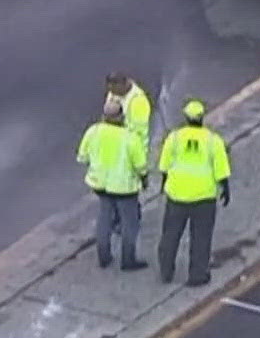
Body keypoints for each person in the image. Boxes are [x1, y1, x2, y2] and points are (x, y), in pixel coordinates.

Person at [157, 100, 231, 286]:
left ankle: (166, 271)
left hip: (177, 194)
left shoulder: (174, 137)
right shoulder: (213, 140)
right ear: (202, 118)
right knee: (201, 237)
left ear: (185, 117)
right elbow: (221, 169)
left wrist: (164, 183)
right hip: (203, 196)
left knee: (170, 235)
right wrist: (225, 189)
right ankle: (197, 275)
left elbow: (164, 165)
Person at [76, 96, 149, 270]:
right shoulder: (130, 137)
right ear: (121, 116)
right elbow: (141, 165)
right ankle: (128, 260)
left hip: (100, 185)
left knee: (104, 219)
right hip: (124, 187)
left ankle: (104, 256)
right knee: (129, 223)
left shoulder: (93, 132)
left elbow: (82, 157)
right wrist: (144, 179)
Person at [104, 72, 153, 155]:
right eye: (110, 90)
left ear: (124, 84)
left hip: (133, 150)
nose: (112, 94)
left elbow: (139, 132)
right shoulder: (114, 93)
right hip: (118, 145)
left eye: (114, 90)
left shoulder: (138, 101)